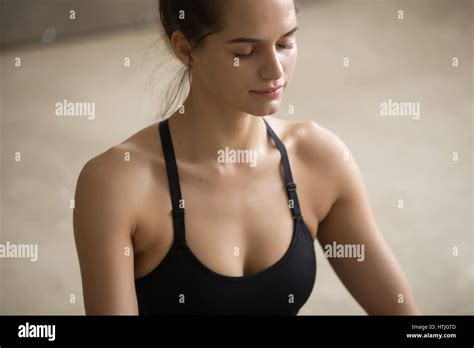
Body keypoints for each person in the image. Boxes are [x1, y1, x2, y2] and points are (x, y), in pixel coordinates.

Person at [73, 0, 420, 315]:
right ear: (186, 49)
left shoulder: (319, 159)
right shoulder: (117, 185)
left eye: (285, 43)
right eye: (246, 51)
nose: (275, 70)